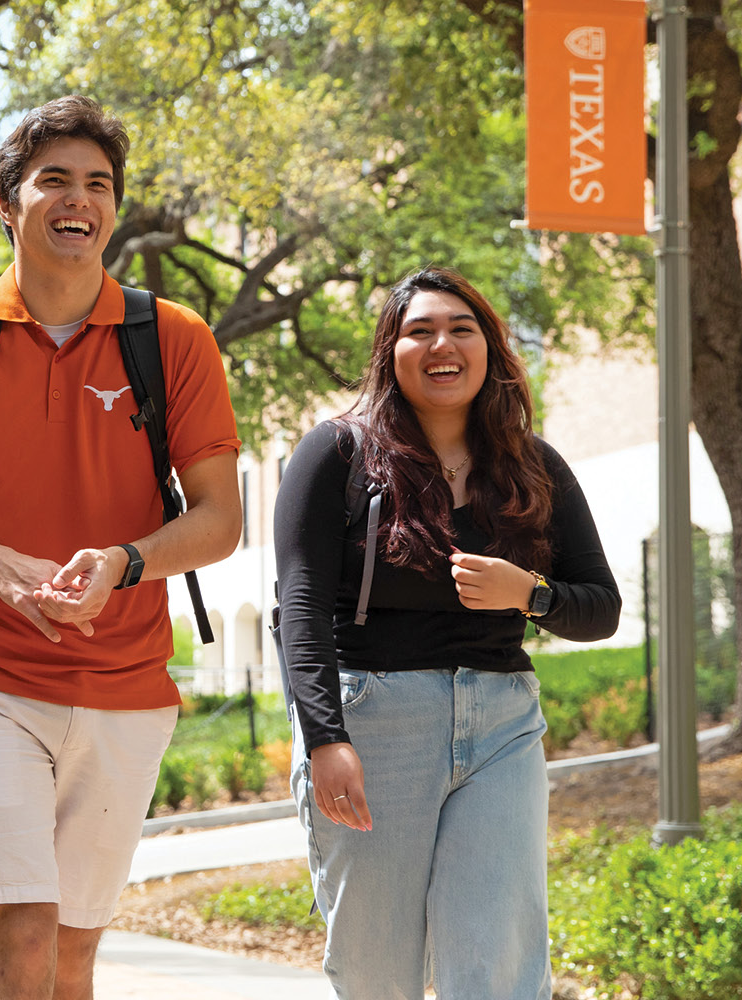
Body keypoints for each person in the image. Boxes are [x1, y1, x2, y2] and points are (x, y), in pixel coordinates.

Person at [0, 95, 243, 1000]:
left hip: (125, 683)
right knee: (22, 940)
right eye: (55, 180)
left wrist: (125, 563)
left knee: (72, 960)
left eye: (99, 184)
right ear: (8, 204)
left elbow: (219, 520)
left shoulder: (174, 340)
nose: (80, 199)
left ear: (115, 208)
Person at [272, 267, 622, 999]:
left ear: (489, 349)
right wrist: (325, 737)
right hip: (373, 721)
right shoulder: (337, 455)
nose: (442, 344)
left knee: (497, 963)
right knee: (377, 971)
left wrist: (528, 593)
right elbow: (301, 610)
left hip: (502, 724)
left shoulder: (534, 466)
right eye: (419, 330)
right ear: (390, 351)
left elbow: (601, 607)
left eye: (462, 329)